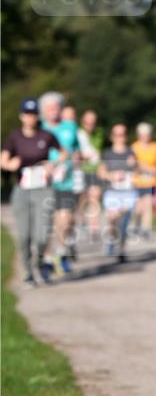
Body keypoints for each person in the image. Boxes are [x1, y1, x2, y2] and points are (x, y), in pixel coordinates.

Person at [1, 98, 63, 286]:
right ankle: (28, 273)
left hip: (43, 189)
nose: (30, 118)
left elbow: (63, 153)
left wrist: (53, 163)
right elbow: (3, 160)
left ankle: (41, 262)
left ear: (38, 116)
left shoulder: (46, 135)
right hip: (22, 189)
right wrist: (10, 165)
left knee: (42, 235)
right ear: (22, 116)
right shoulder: (15, 137)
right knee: (24, 236)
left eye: (34, 114)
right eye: (27, 114)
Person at [39, 91, 80, 275]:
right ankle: (48, 258)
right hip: (45, 182)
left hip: (66, 180)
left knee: (65, 218)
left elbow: (76, 148)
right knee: (48, 221)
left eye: (56, 107)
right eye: (49, 108)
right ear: (43, 111)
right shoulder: (40, 128)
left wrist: (77, 158)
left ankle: (61, 252)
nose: (53, 111)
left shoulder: (70, 127)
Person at [98, 124, 138, 263]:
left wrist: (134, 165)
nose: (120, 137)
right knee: (112, 219)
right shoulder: (108, 153)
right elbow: (101, 172)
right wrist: (111, 176)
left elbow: (138, 170)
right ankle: (111, 238)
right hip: (112, 192)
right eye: (117, 135)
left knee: (124, 222)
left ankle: (121, 250)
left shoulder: (131, 152)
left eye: (122, 134)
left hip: (128, 192)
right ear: (112, 137)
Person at [77, 109, 105, 240]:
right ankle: (83, 221)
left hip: (94, 169)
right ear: (83, 122)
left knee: (95, 196)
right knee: (83, 197)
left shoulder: (99, 133)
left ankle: (94, 226)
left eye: (92, 123)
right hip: (81, 169)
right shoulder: (78, 134)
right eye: (87, 123)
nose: (90, 125)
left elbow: (99, 151)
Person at [131, 123, 156, 239]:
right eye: (143, 135)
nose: (145, 137)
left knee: (148, 205)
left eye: (147, 134)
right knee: (138, 208)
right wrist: (146, 168)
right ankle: (137, 225)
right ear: (139, 135)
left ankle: (146, 229)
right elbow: (133, 164)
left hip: (151, 181)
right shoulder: (134, 147)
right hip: (138, 181)